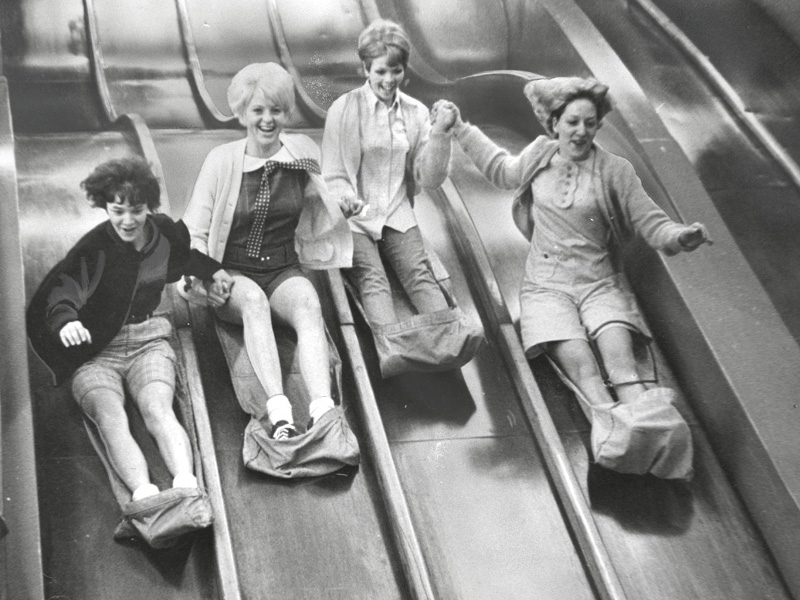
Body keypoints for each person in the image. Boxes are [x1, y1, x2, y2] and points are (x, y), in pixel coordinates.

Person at [440, 77, 711, 409]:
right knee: (585, 372)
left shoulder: (615, 171)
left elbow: (650, 221)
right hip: (547, 288)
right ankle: (616, 439)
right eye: (572, 122)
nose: (581, 131)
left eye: (590, 123)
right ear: (555, 123)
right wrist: (462, 129)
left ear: (597, 126)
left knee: (623, 367)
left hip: (600, 284)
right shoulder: (539, 154)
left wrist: (679, 236)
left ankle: (651, 439)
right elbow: (501, 170)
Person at [27, 157, 234, 503]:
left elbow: (184, 259)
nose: (127, 220)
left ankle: (186, 486)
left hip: (147, 339)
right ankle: (145, 495)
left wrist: (214, 271)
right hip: (94, 351)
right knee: (110, 414)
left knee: (157, 407)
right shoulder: (95, 248)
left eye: (136, 210)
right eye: (117, 210)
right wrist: (66, 322)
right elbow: (63, 290)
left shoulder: (163, 234)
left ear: (148, 207)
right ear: (105, 206)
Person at [183, 62, 352, 441]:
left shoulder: (301, 153)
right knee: (254, 303)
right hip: (233, 273)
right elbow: (193, 232)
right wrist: (208, 274)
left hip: (282, 268)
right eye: (258, 110)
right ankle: (279, 412)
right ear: (243, 113)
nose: (267, 119)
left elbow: (325, 196)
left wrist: (344, 204)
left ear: (286, 112)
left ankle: (323, 409)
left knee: (309, 305)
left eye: (276, 110)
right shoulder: (222, 160)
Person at [321, 19, 458, 327]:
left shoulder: (415, 112)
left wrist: (439, 135)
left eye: (396, 70)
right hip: (354, 218)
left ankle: (447, 343)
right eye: (380, 71)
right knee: (374, 279)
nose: (389, 79)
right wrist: (346, 200)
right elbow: (335, 173)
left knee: (420, 275)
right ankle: (392, 351)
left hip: (396, 213)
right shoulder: (344, 109)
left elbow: (430, 178)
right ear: (365, 70)